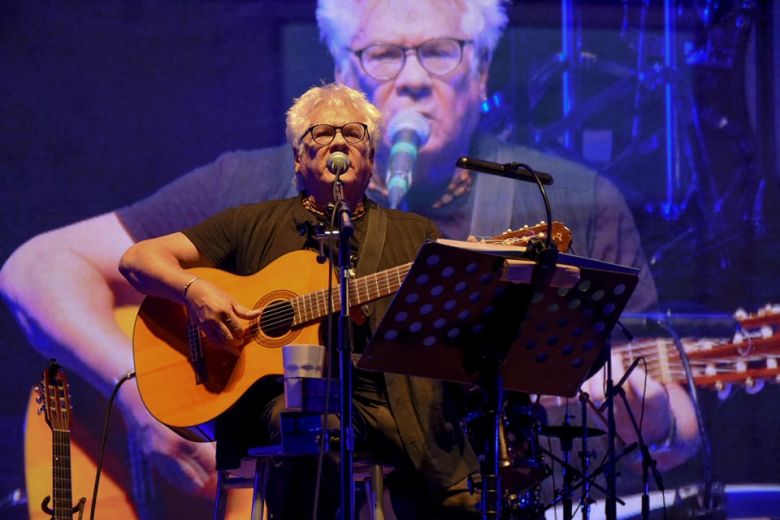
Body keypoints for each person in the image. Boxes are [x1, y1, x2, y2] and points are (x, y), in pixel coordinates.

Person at [0, 0, 698, 515]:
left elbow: (680, 432)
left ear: (482, 73)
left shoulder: (564, 206)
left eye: (443, 51)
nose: (415, 80)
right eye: (384, 56)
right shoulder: (250, 185)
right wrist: (153, 414)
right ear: (341, 75)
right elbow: (36, 269)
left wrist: (649, 413)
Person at [119, 82, 479, 518]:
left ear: (371, 158)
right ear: (297, 157)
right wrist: (195, 292)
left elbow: (450, 330)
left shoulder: (415, 234)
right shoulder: (248, 224)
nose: (340, 140)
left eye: (354, 132)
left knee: (454, 480)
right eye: (322, 133)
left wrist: (473, 275)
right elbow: (139, 260)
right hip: (279, 402)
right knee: (311, 424)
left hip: (390, 401)